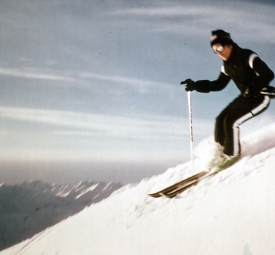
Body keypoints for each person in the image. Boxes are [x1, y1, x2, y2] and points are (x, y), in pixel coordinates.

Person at [181, 29, 274, 171]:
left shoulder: (247, 56)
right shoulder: (226, 66)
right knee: (220, 119)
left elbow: (268, 74)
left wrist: (254, 88)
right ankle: (220, 152)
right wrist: (195, 85)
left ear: (229, 44)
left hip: (260, 98)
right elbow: (218, 85)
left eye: (219, 47)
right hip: (245, 97)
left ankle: (232, 154)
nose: (218, 52)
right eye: (214, 50)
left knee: (231, 121)